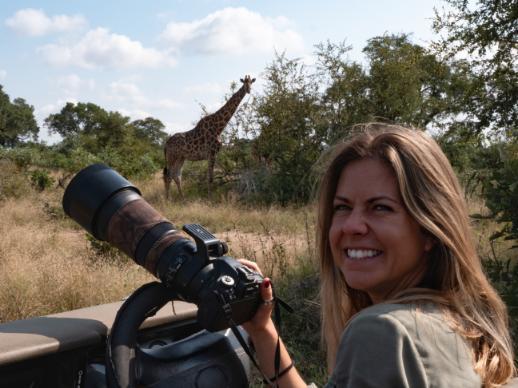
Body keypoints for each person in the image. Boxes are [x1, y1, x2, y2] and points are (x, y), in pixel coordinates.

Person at [241, 123, 517, 387]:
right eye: (342, 207)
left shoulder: (383, 333)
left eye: (381, 208)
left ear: (430, 230)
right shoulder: (456, 323)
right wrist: (262, 330)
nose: (351, 225)